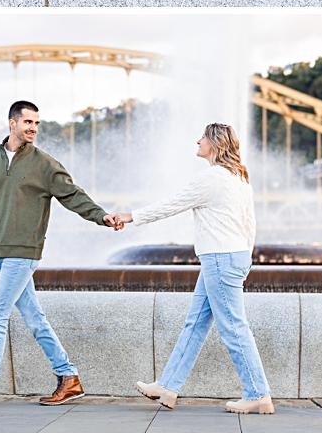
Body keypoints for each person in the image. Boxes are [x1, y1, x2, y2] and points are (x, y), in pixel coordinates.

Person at [0, 100, 125, 408]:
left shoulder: (44, 164)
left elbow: (72, 195)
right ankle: (69, 378)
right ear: (12, 123)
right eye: (27, 122)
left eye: (37, 123)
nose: (32, 128)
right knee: (35, 319)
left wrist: (101, 216)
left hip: (24, 251)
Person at [117, 123, 273, 415]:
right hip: (231, 256)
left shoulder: (211, 178)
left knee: (233, 327)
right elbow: (250, 223)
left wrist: (131, 216)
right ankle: (168, 386)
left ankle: (258, 393)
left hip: (220, 258)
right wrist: (245, 258)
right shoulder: (240, 178)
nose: (197, 140)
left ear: (214, 144)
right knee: (195, 324)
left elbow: (171, 205)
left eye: (203, 137)